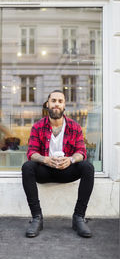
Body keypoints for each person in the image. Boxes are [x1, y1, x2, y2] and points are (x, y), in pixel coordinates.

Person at [21, 90, 94, 238]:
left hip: (67, 171)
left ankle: (78, 217)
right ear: (47, 104)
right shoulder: (38, 127)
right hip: (45, 171)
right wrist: (45, 159)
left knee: (88, 167)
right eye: (53, 101)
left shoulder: (74, 127)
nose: (56, 104)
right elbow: (31, 153)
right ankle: (37, 217)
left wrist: (70, 160)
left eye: (60, 101)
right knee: (27, 167)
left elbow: (81, 152)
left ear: (64, 105)